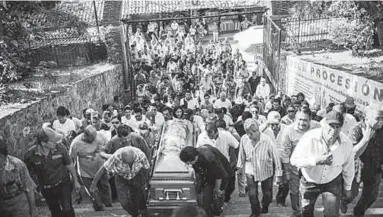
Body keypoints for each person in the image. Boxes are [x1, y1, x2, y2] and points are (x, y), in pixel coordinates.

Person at [290, 111, 355, 217]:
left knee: (332, 214)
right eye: (331, 125)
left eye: (337, 126)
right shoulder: (309, 137)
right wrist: (315, 161)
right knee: (306, 212)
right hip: (309, 180)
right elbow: (294, 160)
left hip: (332, 181)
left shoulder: (346, 143)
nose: (333, 130)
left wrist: (347, 188)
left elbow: (349, 167)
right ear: (324, 124)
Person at [25, 124, 80, 217]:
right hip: (47, 188)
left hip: (63, 183)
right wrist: (33, 186)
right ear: (43, 143)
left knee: (67, 208)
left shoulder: (60, 148)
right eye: (53, 141)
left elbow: (69, 164)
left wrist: (76, 181)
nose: (56, 142)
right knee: (55, 211)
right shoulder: (31, 155)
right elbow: (25, 173)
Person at [342, 105, 383, 217]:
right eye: (377, 118)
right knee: (351, 195)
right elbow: (354, 154)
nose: (381, 121)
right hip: (357, 168)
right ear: (366, 118)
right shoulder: (356, 130)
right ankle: (344, 201)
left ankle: (358, 212)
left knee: (371, 196)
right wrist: (366, 138)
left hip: (375, 168)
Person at [279, 108, 321, 217]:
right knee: (294, 190)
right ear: (295, 119)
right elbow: (284, 152)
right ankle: (296, 212)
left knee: (309, 191)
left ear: (310, 120)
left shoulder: (317, 127)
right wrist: (287, 171)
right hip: (294, 165)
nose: (302, 122)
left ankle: (306, 211)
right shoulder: (288, 131)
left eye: (305, 120)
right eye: (300, 119)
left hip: (310, 165)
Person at [237, 118, 282, 217]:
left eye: (253, 132)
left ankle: (265, 205)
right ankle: (255, 211)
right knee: (252, 194)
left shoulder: (266, 140)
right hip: (251, 170)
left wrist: (279, 174)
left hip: (266, 170)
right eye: (248, 133)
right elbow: (241, 154)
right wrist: (239, 167)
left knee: (268, 194)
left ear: (257, 130)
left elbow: (276, 157)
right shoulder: (244, 139)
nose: (250, 135)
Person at [90, 146, 150, 217]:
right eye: (126, 163)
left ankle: (139, 213)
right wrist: (93, 184)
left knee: (137, 197)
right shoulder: (116, 156)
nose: (129, 166)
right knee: (124, 201)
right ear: (122, 158)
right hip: (121, 178)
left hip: (136, 176)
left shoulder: (140, 155)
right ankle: (135, 214)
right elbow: (103, 169)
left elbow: (147, 168)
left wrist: (147, 182)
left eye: (131, 163)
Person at [179, 145, 234, 217]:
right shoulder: (195, 156)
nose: (188, 164)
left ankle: (217, 212)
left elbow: (219, 176)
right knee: (205, 201)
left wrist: (216, 190)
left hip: (222, 176)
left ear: (195, 157)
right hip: (209, 175)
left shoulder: (210, 158)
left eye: (188, 162)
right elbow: (199, 171)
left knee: (216, 199)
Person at [69, 125, 112, 211]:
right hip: (86, 172)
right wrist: (74, 177)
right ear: (85, 135)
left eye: (95, 137)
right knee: (94, 195)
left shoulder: (100, 136)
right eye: (92, 138)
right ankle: (98, 207)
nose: (94, 140)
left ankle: (109, 206)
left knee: (105, 188)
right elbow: (71, 161)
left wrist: (110, 166)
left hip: (101, 168)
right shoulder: (76, 143)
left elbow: (108, 149)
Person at [0, 138, 37, 217]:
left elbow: (29, 189)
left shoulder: (18, 165)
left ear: (3, 155)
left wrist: (33, 210)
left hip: (19, 203)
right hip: (3, 205)